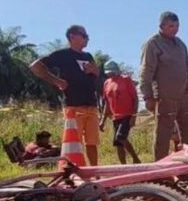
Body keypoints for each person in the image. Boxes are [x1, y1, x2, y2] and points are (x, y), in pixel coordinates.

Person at [30, 25, 101, 165]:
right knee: (74, 142)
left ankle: (94, 172)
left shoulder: (88, 56)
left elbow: (96, 77)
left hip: (91, 106)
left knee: (92, 143)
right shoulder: (62, 55)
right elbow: (35, 66)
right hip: (73, 106)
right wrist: (56, 81)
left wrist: (96, 71)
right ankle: (74, 172)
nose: (87, 39)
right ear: (72, 36)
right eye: (84, 35)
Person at [139, 11, 188, 161]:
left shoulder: (180, 44)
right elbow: (146, 71)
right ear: (162, 26)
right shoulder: (153, 43)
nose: (175, 29)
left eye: (177, 26)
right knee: (163, 136)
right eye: (171, 26)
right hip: (165, 98)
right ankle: (160, 171)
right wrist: (148, 96)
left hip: (184, 96)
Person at [100, 61, 140, 165]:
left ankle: (136, 159)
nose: (111, 74)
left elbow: (135, 98)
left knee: (121, 137)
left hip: (127, 114)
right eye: (109, 72)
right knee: (118, 143)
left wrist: (134, 116)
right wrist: (102, 121)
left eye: (112, 72)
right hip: (115, 117)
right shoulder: (106, 83)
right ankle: (123, 165)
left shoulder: (126, 80)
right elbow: (107, 104)